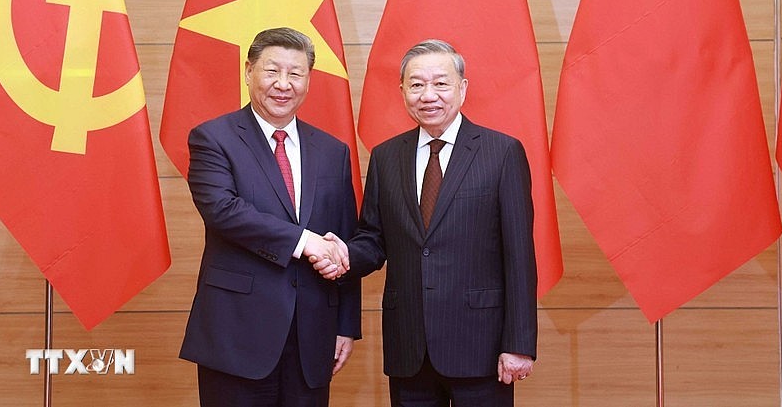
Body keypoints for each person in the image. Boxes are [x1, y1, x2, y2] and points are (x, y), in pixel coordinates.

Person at [314, 39, 537, 407]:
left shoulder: (501, 152)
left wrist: (519, 344)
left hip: (480, 347)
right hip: (409, 348)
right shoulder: (387, 157)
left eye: (441, 83)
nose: (428, 95)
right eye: (416, 85)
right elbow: (374, 238)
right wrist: (343, 254)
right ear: (402, 92)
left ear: (462, 89)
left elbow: (519, 257)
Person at [180, 27, 361, 407]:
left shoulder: (333, 151)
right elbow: (223, 210)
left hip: (313, 337)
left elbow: (343, 240)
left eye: (296, 74)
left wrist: (345, 326)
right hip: (236, 334)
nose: (284, 84)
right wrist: (304, 241)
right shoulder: (213, 138)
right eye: (271, 71)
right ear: (249, 72)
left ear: (308, 80)